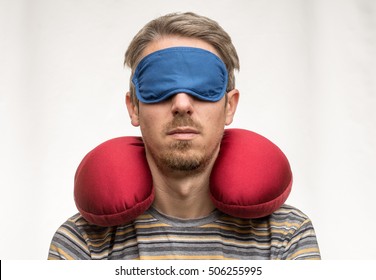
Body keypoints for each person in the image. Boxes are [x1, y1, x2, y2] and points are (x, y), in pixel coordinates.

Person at [48, 12, 321, 260]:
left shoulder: (287, 235)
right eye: (159, 87)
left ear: (230, 106)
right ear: (134, 108)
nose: (181, 104)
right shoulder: (81, 241)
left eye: (203, 87)